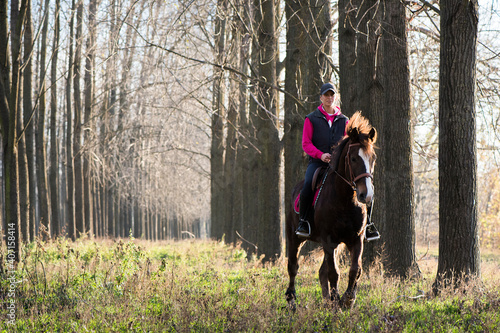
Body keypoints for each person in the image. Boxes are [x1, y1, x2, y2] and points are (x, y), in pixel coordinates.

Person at [295, 82, 381, 241]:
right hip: (317, 162)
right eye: (326, 95)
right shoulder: (311, 119)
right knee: (308, 184)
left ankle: (368, 224)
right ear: (321, 97)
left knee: (366, 185)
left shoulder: (344, 120)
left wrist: (336, 156)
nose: (329, 98)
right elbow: (306, 144)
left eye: (332, 95)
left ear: (335, 97)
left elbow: (349, 145)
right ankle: (304, 222)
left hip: (338, 164)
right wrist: (320, 155)